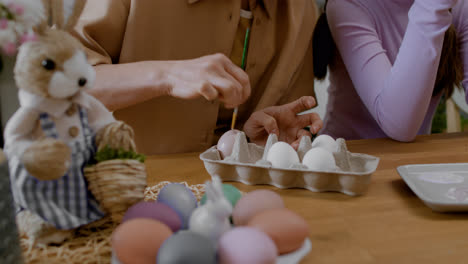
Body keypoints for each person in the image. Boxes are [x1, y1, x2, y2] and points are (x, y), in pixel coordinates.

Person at [74, 0, 322, 155]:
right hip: (112, 188)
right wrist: (167, 75)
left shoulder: (301, 11)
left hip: (227, 205)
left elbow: (282, 134)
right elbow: (51, 88)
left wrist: (255, 143)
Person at [313, 0, 466, 142]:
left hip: (412, 162)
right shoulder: (349, 5)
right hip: (344, 159)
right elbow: (400, 125)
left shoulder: (459, 6)